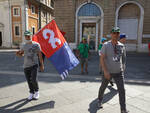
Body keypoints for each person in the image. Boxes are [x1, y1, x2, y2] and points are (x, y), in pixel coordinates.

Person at [97, 27, 128, 113]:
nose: (115, 35)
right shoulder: (106, 45)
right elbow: (102, 58)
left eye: (117, 33)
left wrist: (123, 66)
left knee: (122, 90)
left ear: (119, 34)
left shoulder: (122, 46)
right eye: (114, 33)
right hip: (108, 72)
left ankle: (123, 109)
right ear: (111, 34)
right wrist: (105, 71)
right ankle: (99, 100)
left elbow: (124, 58)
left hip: (119, 72)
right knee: (103, 87)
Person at [16, 30, 44, 101]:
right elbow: (21, 54)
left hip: (34, 65)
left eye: (29, 35)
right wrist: (18, 54)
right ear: (25, 36)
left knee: (34, 79)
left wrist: (42, 65)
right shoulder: (23, 45)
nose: (28, 37)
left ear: (31, 36)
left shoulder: (36, 44)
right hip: (26, 66)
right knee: (29, 80)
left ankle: (37, 92)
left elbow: (40, 55)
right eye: (26, 36)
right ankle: (31, 92)